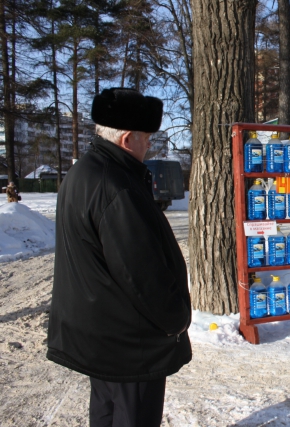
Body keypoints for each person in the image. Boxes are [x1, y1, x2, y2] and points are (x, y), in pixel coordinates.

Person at [47, 88, 192, 426]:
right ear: (127, 139)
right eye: (147, 139)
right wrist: (176, 320)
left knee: (107, 412)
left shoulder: (84, 171)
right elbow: (141, 274)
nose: (149, 147)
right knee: (132, 416)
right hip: (129, 343)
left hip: (102, 335)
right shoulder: (118, 186)